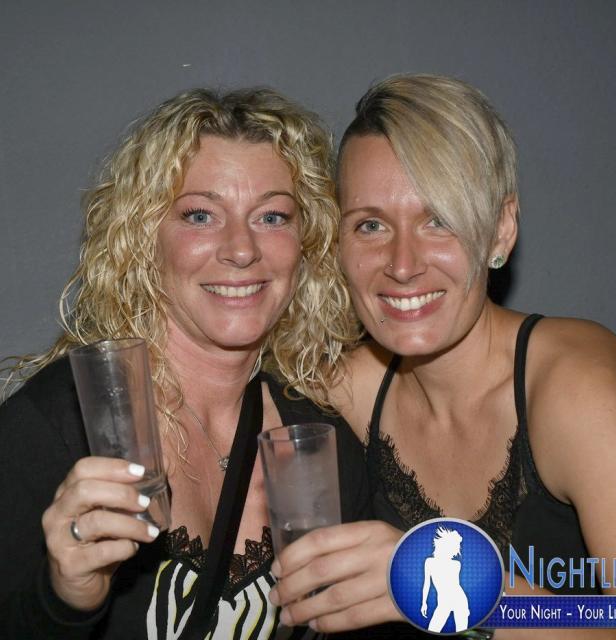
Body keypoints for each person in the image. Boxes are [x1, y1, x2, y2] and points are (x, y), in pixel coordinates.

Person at [269, 74, 616, 639]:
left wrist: (452, 584)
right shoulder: (348, 390)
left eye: (438, 219)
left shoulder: (574, 388)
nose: (402, 264)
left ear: (500, 230)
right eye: (370, 225)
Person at [0, 87, 370, 639]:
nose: (241, 249)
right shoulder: (56, 426)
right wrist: (65, 600)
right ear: (144, 237)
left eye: (272, 216)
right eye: (200, 215)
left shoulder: (321, 439)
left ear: (307, 243)